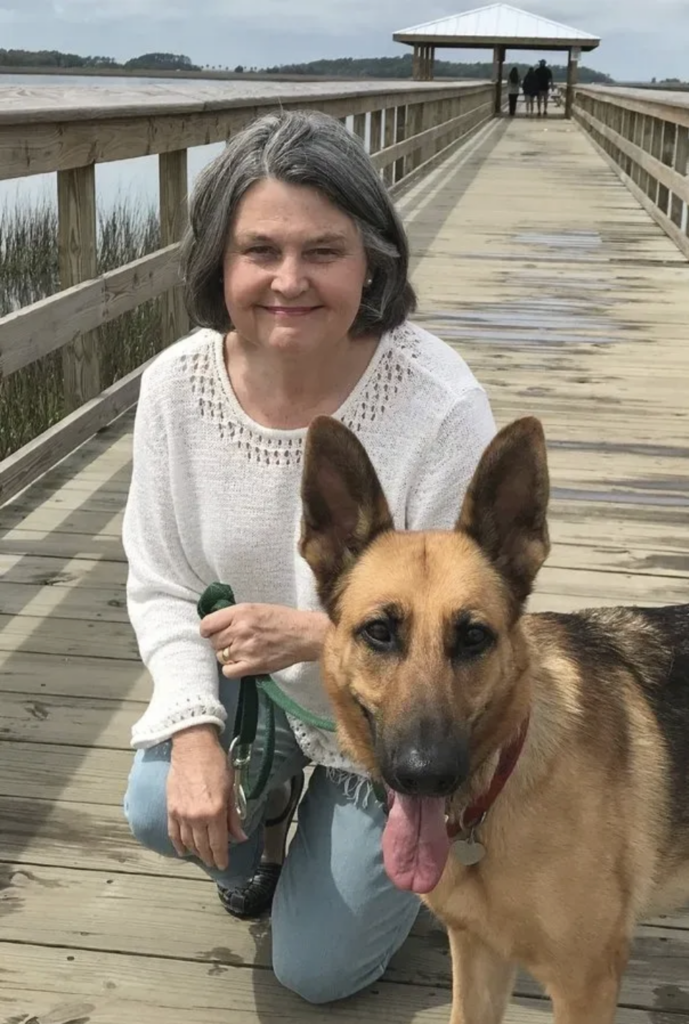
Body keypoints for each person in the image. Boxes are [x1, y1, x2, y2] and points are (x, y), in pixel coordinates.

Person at [121, 109, 497, 1004]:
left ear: (372, 261)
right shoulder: (175, 387)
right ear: (220, 260)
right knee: (152, 802)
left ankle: (397, 848)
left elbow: (470, 614)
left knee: (316, 973)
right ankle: (254, 842)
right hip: (248, 699)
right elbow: (160, 581)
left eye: (323, 251)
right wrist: (195, 733)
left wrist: (312, 632)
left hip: (387, 719)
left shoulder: (436, 404)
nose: (288, 281)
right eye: (260, 251)